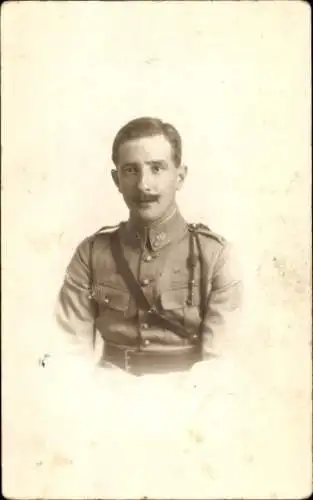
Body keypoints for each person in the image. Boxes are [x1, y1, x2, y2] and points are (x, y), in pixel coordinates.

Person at [56, 116, 243, 377]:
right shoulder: (91, 254)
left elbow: (220, 366)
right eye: (131, 170)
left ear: (180, 176)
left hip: (190, 399)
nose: (143, 184)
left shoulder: (215, 256)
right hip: (106, 395)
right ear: (116, 179)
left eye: (157, 168)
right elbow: (68, 354)